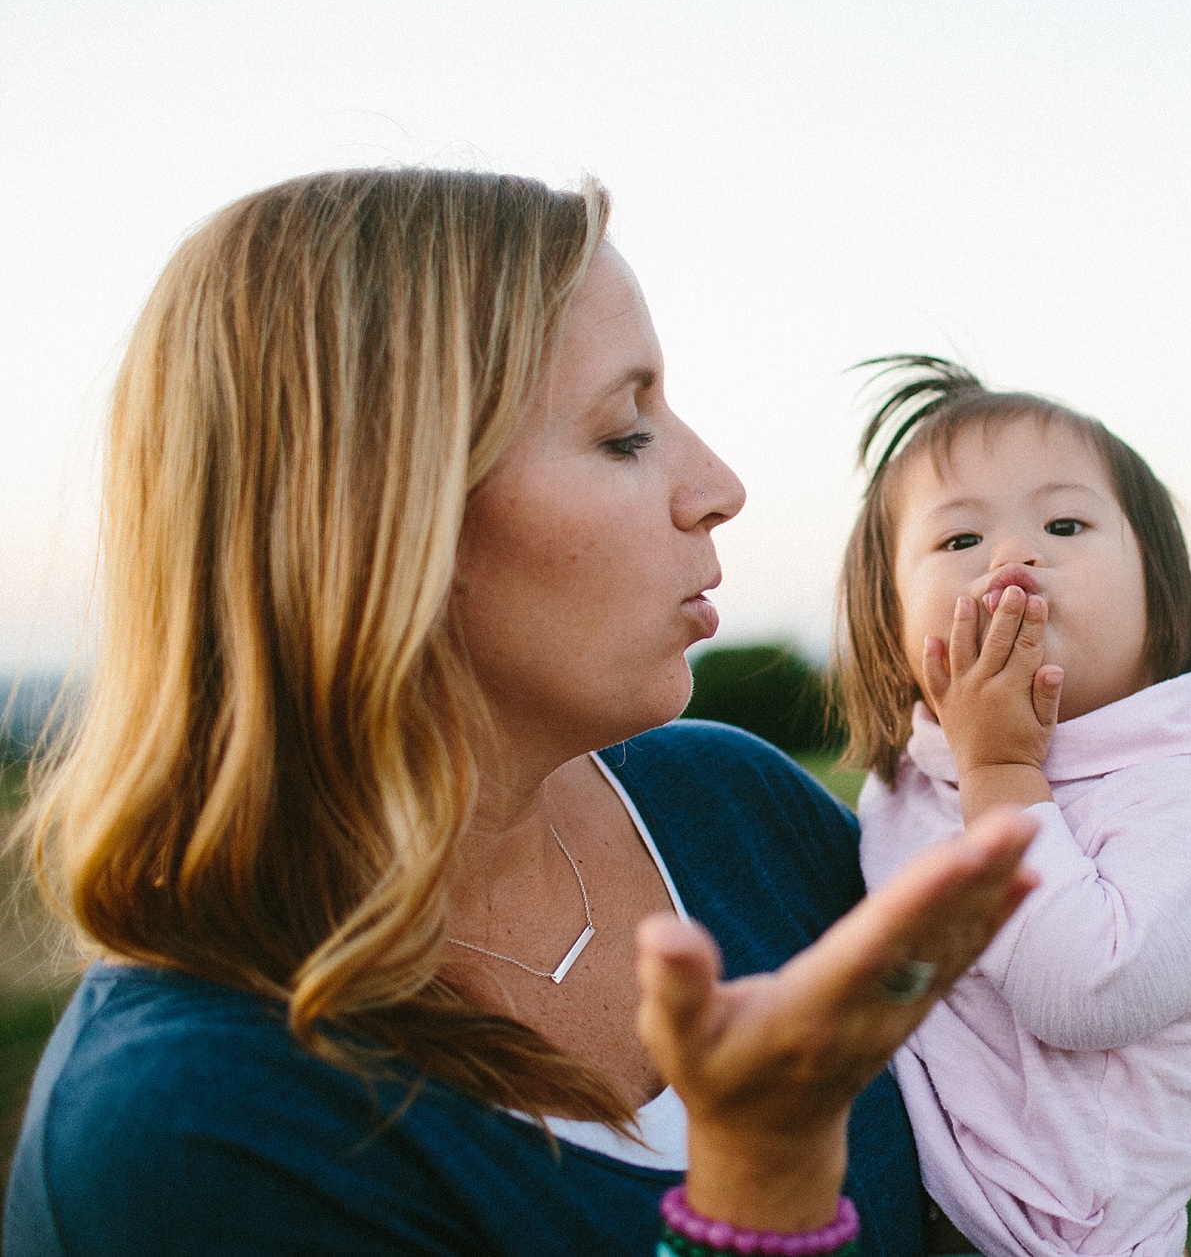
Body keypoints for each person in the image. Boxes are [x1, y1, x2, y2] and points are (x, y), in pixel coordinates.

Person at [5, 170, 1038, 1257]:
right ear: (387, 521)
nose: (719, 484)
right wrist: (759, 1181)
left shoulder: (734, 806)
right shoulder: (193, 1135)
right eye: (622, 433)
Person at [839, 358, 1191, 1257]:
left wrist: (1000, 766)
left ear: (1165, 598)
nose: (1011, 557)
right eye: (958, 541)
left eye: (1064, 523)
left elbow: (1083, 992)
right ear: (889, 629)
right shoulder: (906, 785)